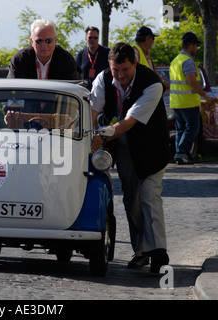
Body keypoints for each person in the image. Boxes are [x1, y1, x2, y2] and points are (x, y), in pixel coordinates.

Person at [91, 42, 170, 273]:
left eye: (125, 70)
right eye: (116, 70)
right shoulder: (102, 80)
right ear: (110, 65)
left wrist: (101, 136)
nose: (120, 75)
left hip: (152, 148)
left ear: (134, 64)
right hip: (123, 148)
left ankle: (158, 253)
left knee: (148, 197)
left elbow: (129, 122)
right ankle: (141, 251)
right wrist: (92, 135)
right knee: (131, 199)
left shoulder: (153, 84)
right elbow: (92, 112)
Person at [169, 32, 214, 165]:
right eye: (196, 46)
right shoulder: (187, 61)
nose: (196, 49)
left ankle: (181, 154)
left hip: (176, 102)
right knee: (192, 128)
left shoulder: (175, 60)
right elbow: (192, 82)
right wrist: (205, 95)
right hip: (188, 102)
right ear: (191, 46)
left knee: (181, 129)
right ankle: (181, 152)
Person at [7, 19, 78, 80]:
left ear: (55, 40)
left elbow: (70, 90)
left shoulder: (66, 61)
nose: (44, 45)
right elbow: (13, 89)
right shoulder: (20, 59)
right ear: (32, 41)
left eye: (48, 41)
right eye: (39, 41)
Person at [75, 26, 110, 90]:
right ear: (86, 39)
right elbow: (76, 77)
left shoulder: (107, 53)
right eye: (90, 38)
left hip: (103, 91)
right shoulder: (81, 55)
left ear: (98, 38)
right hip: (85, 92)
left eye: (95, 38)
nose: (92, 40)